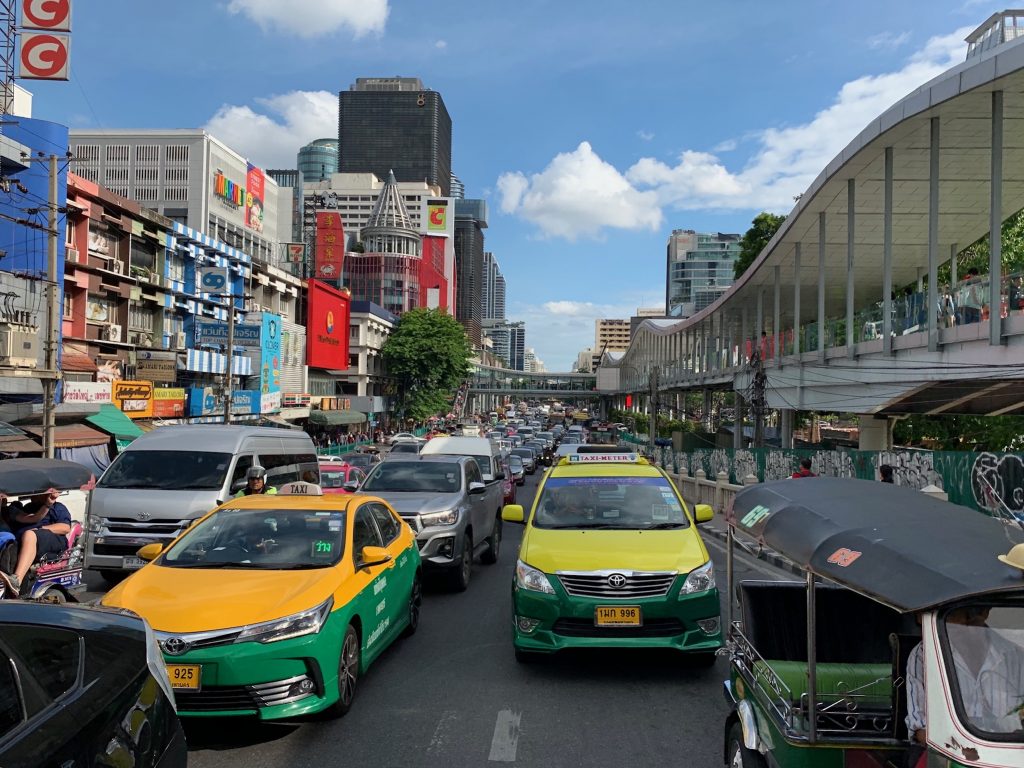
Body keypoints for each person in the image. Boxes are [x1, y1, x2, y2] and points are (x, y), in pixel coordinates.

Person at [905, 604, 1024, 764]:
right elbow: (920, 728)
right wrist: (963, 753)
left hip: (1005, 755)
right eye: (951, 621)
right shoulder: (923, 655)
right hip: (947, 755)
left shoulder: (1014, 656)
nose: (961, 629)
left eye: (969, 620)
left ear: (983, 613)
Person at [0, 489, 72, 597]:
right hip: (23, 542)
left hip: (49, 541)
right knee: (10, 544)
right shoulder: (27, 507)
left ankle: (16, 580)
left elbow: (65, 528)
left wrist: (39, 529)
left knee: (29, 534)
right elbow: (31, 518)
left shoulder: (58, 507)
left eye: (38, 492)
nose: (33, 494)